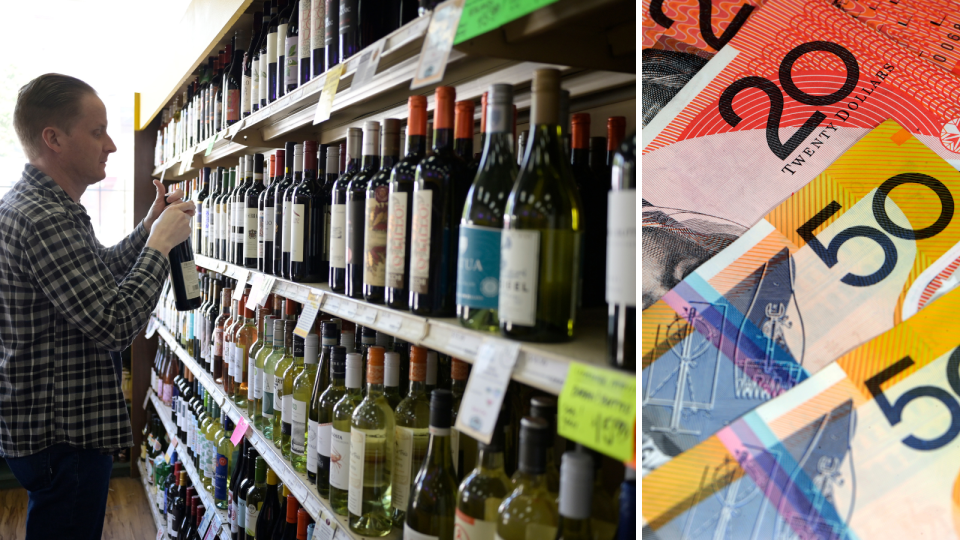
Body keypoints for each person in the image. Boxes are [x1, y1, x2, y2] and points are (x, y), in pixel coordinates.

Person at [0, 73, 195, 539]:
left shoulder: (49, 207)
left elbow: (98, 275)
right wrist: (160, 248)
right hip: (62, 438)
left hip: (51, 433)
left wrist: (150, 227)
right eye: (97, 131)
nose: (110, 145)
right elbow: (112, 325)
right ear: (54, 139)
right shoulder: (43, 217)